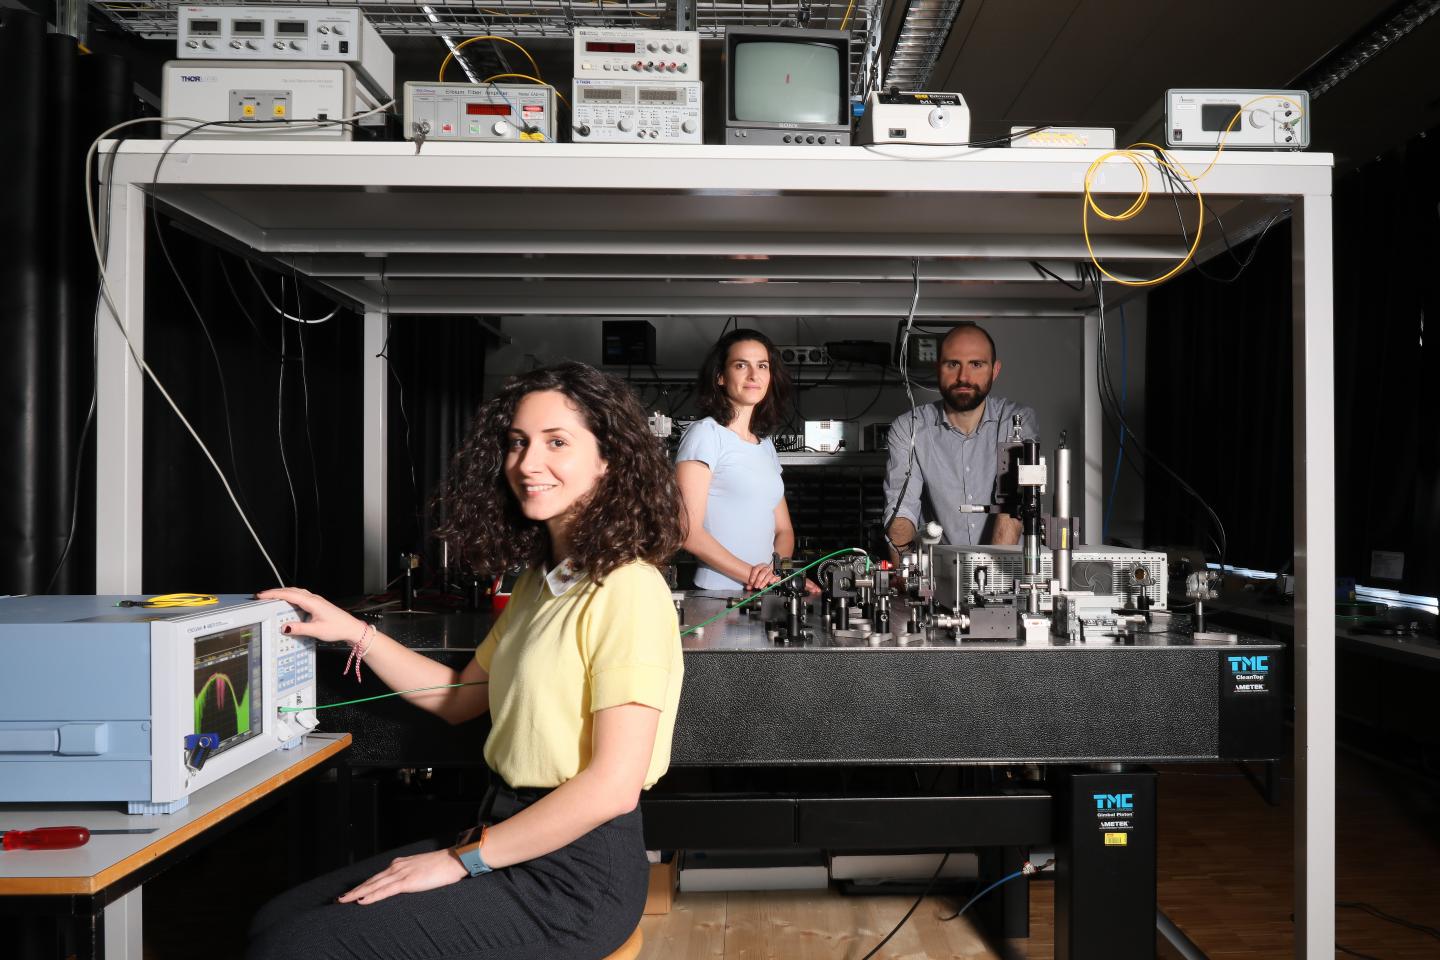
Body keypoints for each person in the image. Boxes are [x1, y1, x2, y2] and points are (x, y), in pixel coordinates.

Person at [246, 362, 686, 960]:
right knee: (276, 920)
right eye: (518, 442)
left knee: (296, 947)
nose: (528, 463)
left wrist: (461, 860)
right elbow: (459, 698)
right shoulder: (542, 583)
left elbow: (613, 786)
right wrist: (353, 632)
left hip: (575, 878)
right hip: (503, 829)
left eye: (557, 442)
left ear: (608, 459)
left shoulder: (628, 588)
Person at [675, 328, 810, 593]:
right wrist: (759, 577)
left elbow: (784, 530)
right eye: (741, 365)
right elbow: (687, 532)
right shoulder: (705, 434)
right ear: (720, 376)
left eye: (762, 366)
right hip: (718, 594)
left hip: (764, 592)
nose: (753, 375)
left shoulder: (765, 445)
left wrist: (776, 573)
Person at [883, 322, 1038, 552]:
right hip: (939, 570)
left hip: (1004, 568)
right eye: (953, 364)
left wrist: (989, 574)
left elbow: (1011, 510)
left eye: (976, 364)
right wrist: (907, 571)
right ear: (938, 368)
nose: (963, 377)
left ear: (994, 370)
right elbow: (901, 512)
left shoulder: (1016, 420)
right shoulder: (909, 427)